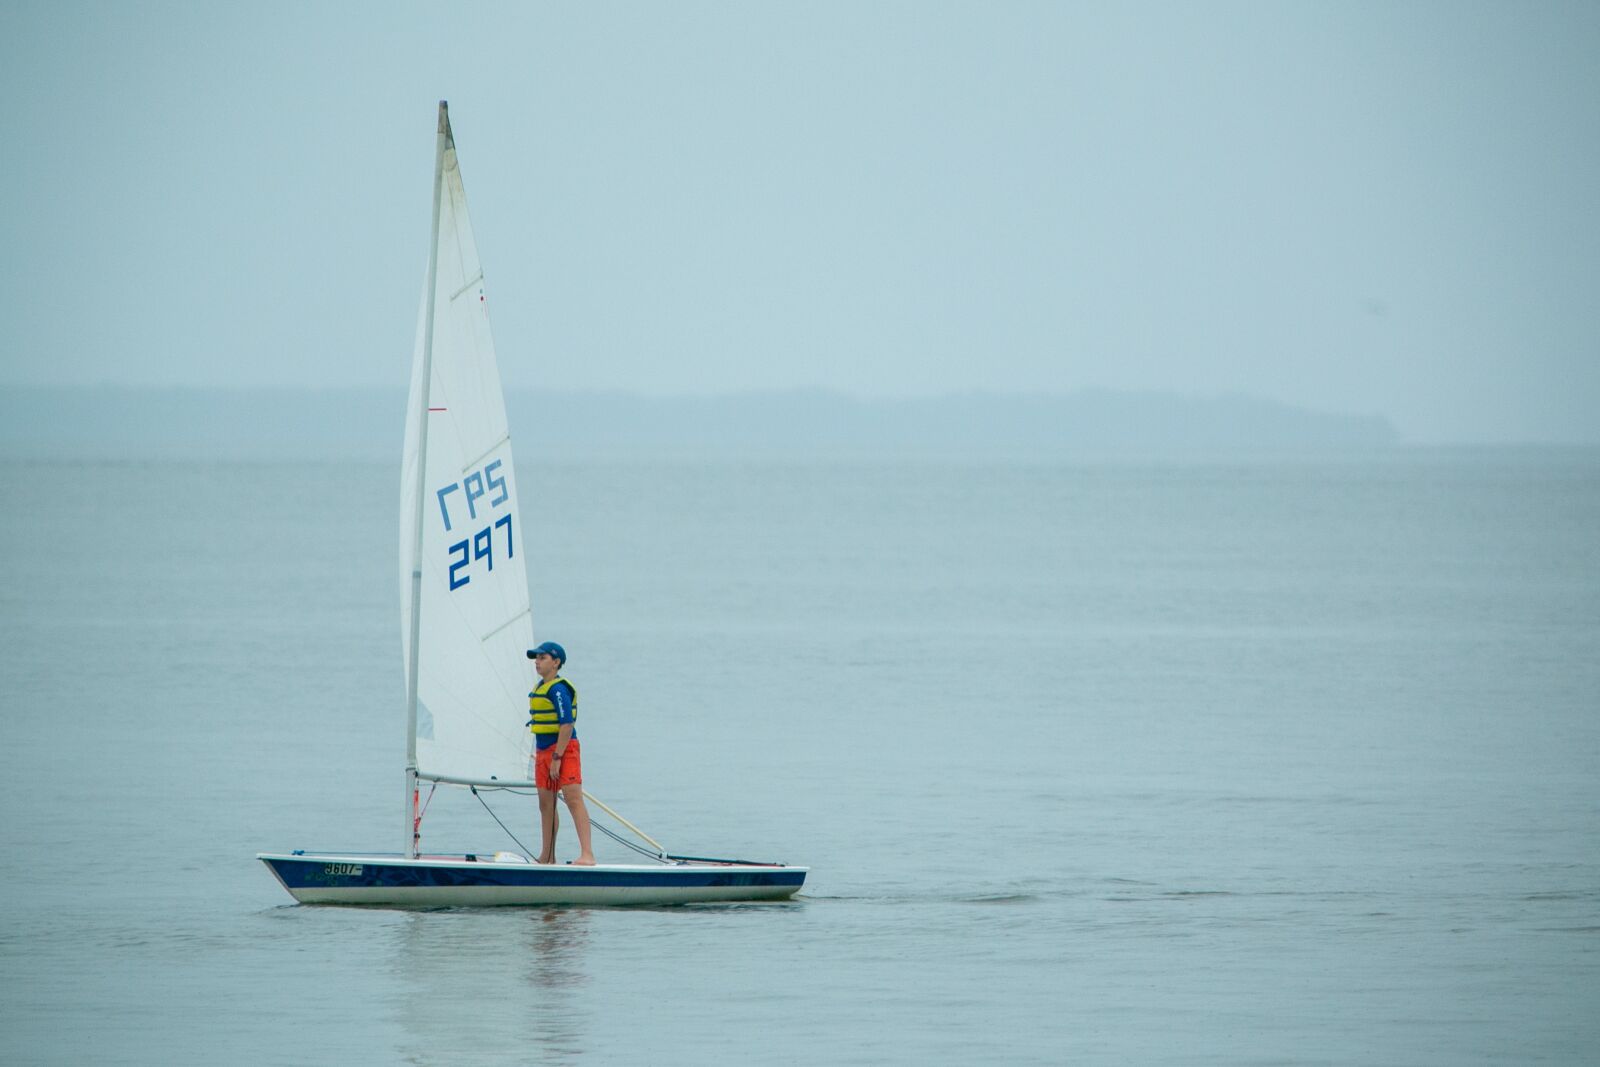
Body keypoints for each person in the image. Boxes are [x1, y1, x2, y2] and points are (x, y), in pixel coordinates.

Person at [526, 640, 595, 865]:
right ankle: (547, 856)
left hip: (564, 751)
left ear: (556, 663)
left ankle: (587, 854)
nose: (537, 662)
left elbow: (567, 724)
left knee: (573, 799)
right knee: (545, 804)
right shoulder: (540, 687)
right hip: (543, 751)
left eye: (542, 658)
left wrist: (557, 757)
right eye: (536, 658)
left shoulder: (558, 689)